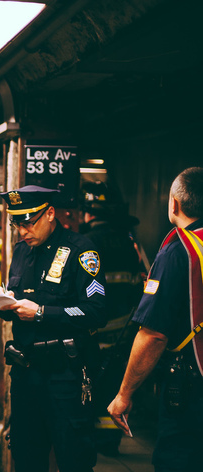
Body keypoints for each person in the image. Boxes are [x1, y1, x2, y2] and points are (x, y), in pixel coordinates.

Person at [0, 185, 107, 472]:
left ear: (50, 214)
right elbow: (16, 297)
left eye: (28, 222)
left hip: (65, 377)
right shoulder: (21, 252)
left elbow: (95, 312)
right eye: (16, 224)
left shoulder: (81, 249)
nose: (22, 231)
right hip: (26, 376)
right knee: (26, 470)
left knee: (74, 471)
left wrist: (42, 312)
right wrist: (6, 304)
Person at [107, 167, 203, 472]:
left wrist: (124, 394)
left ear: (175, 203)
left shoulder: (179, 248)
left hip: (192, 389)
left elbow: (153, 334)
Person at [79, 180, 145, 454]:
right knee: (116, 383)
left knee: (93, 384)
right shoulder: (130, 240)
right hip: (127, 329)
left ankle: (93, 440)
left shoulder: (88, 242)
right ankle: (111, 441)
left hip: (99, 329)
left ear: (89, 212)